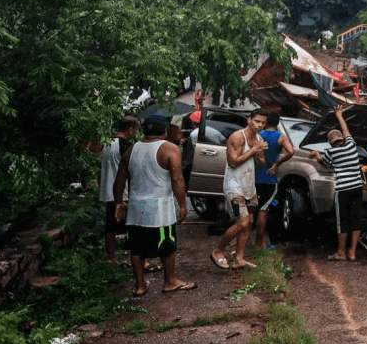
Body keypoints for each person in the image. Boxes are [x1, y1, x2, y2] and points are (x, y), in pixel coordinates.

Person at [113, 114, 195, 296]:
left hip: (135, 207)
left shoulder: (132, 149)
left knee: (136, 248)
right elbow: (177, 178)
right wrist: (182, 205)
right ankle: (170, 281)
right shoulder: (170, 149)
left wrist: (119, 202)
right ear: (165, 131)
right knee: (166, 244)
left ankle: (140, 285)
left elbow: (120, 179)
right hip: (160, 208)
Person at [210, 109, 268, 270]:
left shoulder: (259, 138)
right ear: (249, 120)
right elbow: (233, 162)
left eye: (263, 123)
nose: (260, 125)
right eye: (257, 121)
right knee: (242, 222)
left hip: (249, 185)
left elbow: (261, 163)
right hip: (234, 185)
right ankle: (218, 250)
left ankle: (239, 258)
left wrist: (258, 153)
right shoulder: (237, 137)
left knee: (249, 222)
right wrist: (253, 150)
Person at [311, 104, 364, 261]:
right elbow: (346, 130)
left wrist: (316, 154)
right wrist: (339, 115)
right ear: (342, 138)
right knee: (356, 220)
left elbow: (323, 162)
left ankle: (341, 253)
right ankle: (352, 252)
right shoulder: (351, 145)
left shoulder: (331, 152)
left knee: (343, 221)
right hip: (357, 187)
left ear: (329, 142)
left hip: (343, 190)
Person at [101, 115, 140, 267]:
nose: (136, 132)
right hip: (123, 193)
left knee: (110, 227)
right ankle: (137, 259)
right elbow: (131, 170)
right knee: (133, 227)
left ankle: (112, 259)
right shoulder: (126, 145)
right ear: (130, 129)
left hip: (108, 192)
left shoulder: (107, 143)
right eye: (136, 129)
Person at [253, 112, 294, 251]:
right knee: (264, 210)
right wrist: (277, 164)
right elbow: (291, 151)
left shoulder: (258, 136)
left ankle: (251, 242)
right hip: (269, 179)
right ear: (277, 123)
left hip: (254, 177)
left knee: (252, 210)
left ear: (265, 122)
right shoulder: (281, 137)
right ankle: (259, 244)